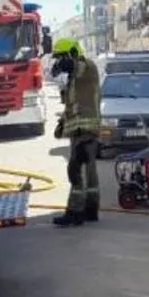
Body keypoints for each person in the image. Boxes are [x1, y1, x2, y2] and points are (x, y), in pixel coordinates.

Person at [50, 37, 101, 226]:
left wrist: (68, 64)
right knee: (89, 171)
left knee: (74, 169)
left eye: (62, 57)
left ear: (72, 53)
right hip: (78, 131)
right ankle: (90, 209)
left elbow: (78, 67)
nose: (59, 62)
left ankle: (75, 211)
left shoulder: (88, 67)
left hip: (87, 130)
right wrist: (62, 123)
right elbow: (72, 105)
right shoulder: (73, 79)